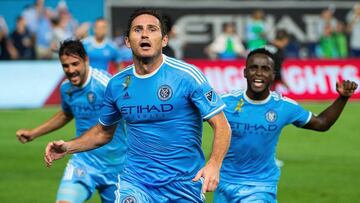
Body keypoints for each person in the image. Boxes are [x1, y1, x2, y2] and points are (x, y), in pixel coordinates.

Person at [44, 8, 231, 203]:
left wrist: (214, 164)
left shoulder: (187, 76)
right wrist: (68, 147)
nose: (144, 34)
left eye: (152, 29)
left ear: (164, 39)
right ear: (127, 41)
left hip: (184, 185)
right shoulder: (117, 84)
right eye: (138, 30)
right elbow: (102, 132)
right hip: (136, 183)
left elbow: (222, 124)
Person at [214, 48, 358, 203]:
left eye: (265, 69)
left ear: (273, 75)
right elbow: (191, 119)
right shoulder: (225, 102)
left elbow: (322, 123)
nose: (259, 73)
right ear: (245, 72)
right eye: (253, 68)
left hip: (260, 187)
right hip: (224, 183)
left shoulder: (284, 106)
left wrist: (342, 98)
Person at [16, 39, 127, 203]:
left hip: (118, 167)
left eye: (75, 64)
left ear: (86, 60)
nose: (71, 70)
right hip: (83, 162)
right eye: (65, 66)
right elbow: (66, 114)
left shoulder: (106, 84)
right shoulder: (66, 88)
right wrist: (34, 133)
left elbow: (130, 113)